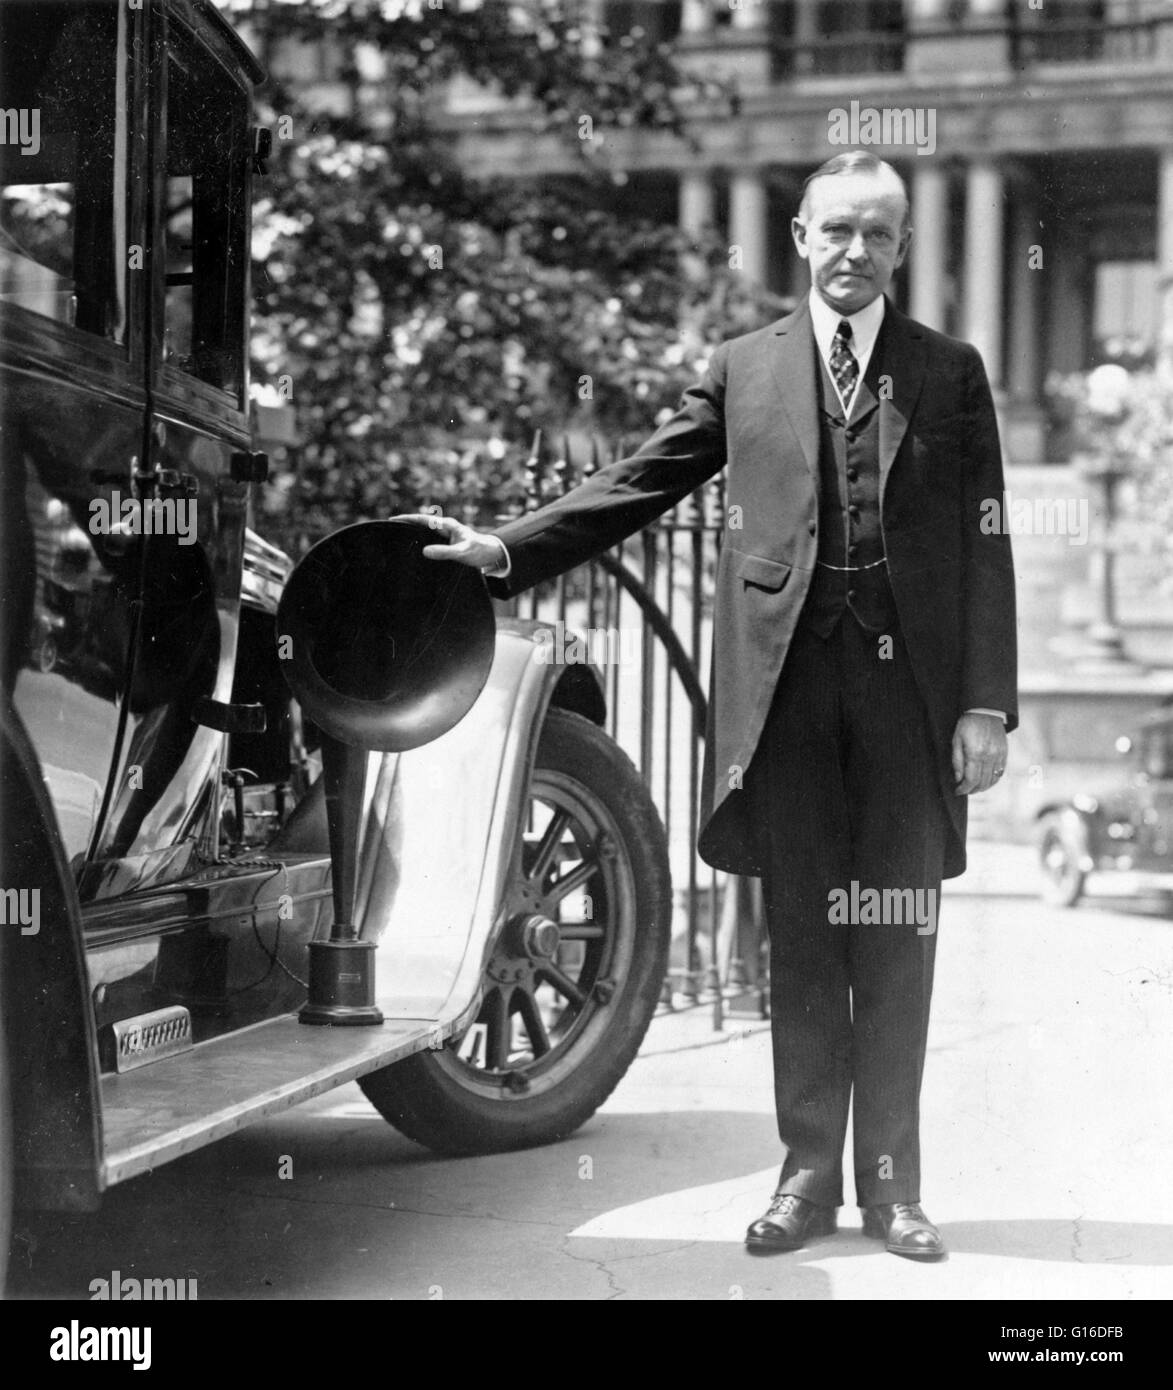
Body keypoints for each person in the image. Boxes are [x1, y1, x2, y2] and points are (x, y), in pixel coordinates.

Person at [416, 151, 1017, 1260]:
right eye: (836, 231)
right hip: (783, 695)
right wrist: (506, 549)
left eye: (877, 235)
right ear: (798, 237)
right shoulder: (746, 367)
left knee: (894, 939)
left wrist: (987, 706)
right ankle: (804, 1179)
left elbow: (988, 542)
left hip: (910, 699)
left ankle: (892, 1188)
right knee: (797, 938)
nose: (854, 253)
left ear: (903, 248)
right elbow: (641, 480)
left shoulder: (951, 370)